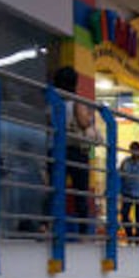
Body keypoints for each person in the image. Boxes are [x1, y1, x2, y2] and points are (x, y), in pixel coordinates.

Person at [53, 65, 100, 235]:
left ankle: (52, 227)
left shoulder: (53, 102)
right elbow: (84, 123)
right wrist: (89, 118)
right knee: (81, 193)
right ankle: (83, 232)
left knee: (55, 190)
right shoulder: (76, 103)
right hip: (76, 151)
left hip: (57, 149)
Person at [118, 141, 139, 241]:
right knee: (124, 214)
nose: (134, 152)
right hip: (127, 192)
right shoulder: (125, 162)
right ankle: (130, 235)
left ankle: (138, 238)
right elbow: (120, 175)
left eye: (136, 150)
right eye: (132, 150)